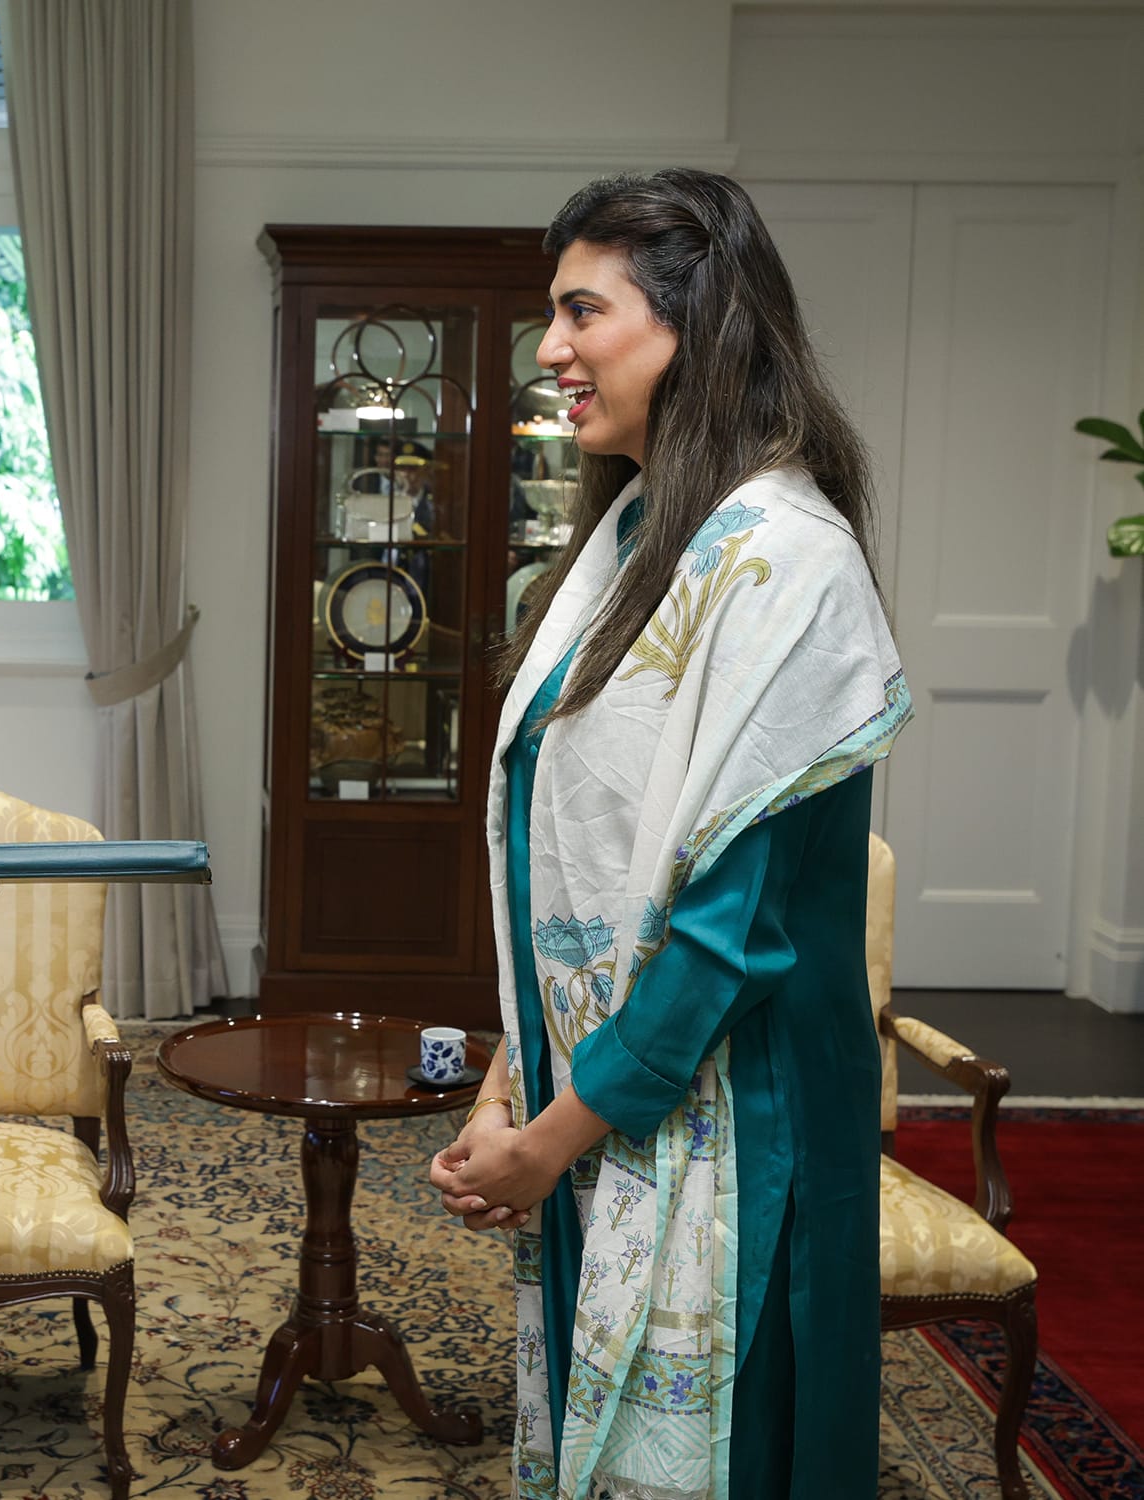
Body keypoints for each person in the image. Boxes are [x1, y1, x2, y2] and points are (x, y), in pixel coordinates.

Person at [428, 169, 910, 1498]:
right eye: (552, 314)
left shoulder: (786, 561)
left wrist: (550, 1138)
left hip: (726, 1130)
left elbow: (732, 931)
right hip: (607, 1102)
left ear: (695, 325)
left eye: (583, 310)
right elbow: (564, 857)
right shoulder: (647, 535)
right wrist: (512, 1085)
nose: (551, 349)